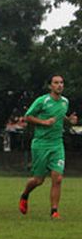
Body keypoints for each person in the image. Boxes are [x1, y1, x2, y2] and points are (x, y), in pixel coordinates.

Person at [19, 75, 77, 219]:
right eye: (56, 83)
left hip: (57, 144)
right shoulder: (42, 101)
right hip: (41, 144)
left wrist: (69, 120)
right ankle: (25, 195)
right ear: (50, 86)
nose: (59, 85)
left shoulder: (65, 102)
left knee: (57, 179)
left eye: (61, 83)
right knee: (38, 180)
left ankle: (54, 211)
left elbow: (60, 116)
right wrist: (44, 122)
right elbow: (28, 116)